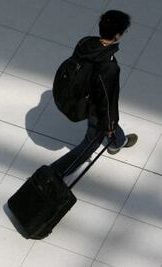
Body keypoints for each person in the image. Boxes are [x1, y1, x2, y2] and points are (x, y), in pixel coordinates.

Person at [50, 10, 138, 177]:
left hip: (78, 94)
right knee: (91, 142)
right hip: (92, 105)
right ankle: (55, 173)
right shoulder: (108, 66)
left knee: (108, 124)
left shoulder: (86, 43)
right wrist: (110, 127)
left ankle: (118, 142)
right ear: (117, 35)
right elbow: (107, 100)